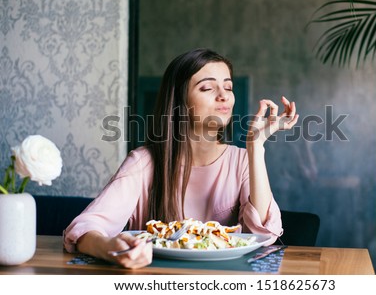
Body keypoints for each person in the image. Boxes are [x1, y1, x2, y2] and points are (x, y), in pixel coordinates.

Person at [63, 48, 299, 269]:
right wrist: (109, 248)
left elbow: (265, 235)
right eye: (207, 89)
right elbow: (84, 229)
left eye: (228, 87)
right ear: (180, 102)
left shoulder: (241, 161)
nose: (223, 97)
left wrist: (256, 146)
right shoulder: (143, 162)